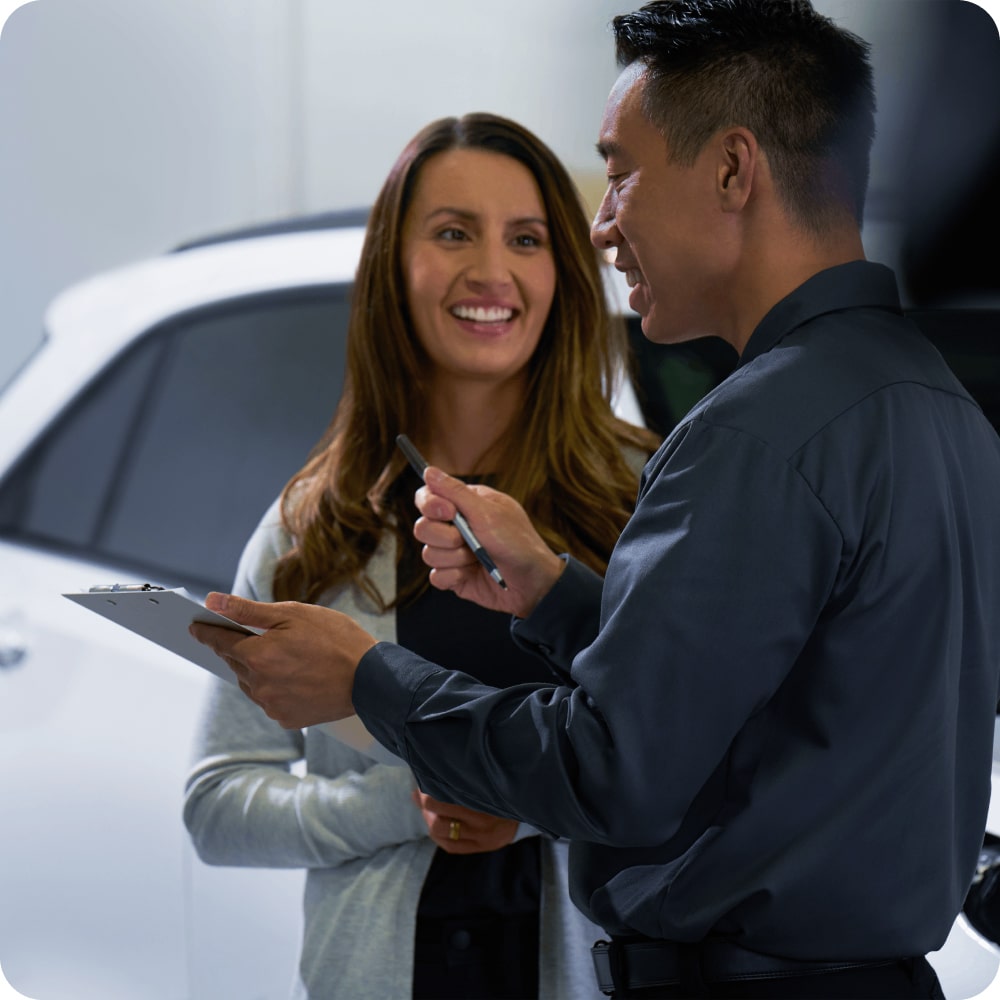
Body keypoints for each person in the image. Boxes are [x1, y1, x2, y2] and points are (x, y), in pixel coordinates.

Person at [190, 2, 1000, 997]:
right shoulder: (934, 405)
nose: (602, 220)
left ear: (733, 169)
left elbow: (614, 768)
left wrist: (369, 677)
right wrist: (559, 597)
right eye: (449, 233)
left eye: (619, 171)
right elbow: (756, 712)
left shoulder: (755, 435)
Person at [182, 111, 659, 1000]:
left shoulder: (645, 496)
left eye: (526, 238)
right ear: (391, 269)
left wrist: (519, 806)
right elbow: (216, 807)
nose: (492, 271)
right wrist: (404, 803)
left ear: (563, 268)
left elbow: (693, 762)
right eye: (451, 233)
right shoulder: (310, 523)